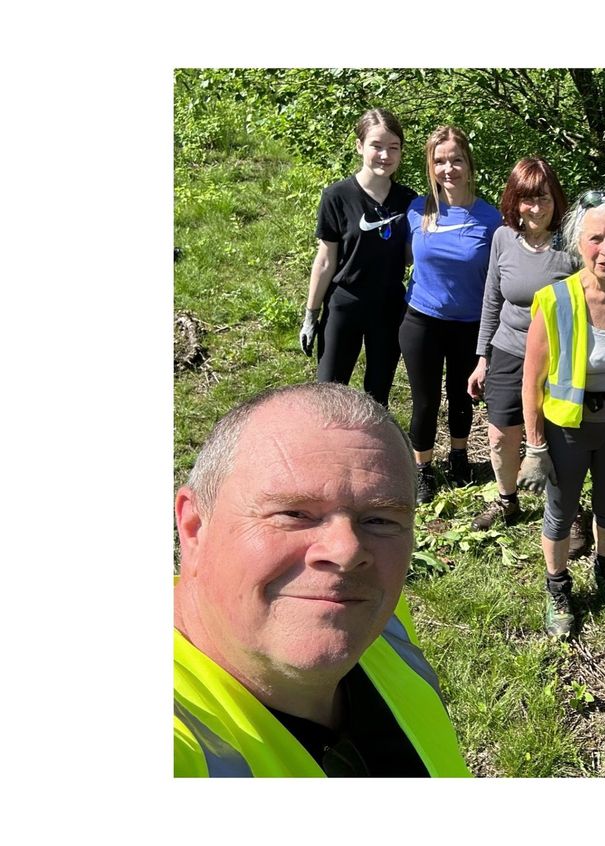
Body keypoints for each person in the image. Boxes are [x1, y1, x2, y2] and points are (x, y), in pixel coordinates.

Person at [173, 382, 470, 777]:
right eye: (295, 514)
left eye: (380, 519)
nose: (347, 552)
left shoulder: (383, 619)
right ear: (194, 528)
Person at [518, 190, 605, 639]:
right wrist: (535, 446)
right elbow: (532, 381)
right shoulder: (555, 300)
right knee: (560, 511)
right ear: (578, 243)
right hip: (568, 430)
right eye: (596, 238)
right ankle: (557, 588)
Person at [466, 157, 576, 531]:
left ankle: (566, 510)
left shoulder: (572, 245)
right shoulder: (503, 239)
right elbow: (491, 300)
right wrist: (483, 358)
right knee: (500, 434)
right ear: (514, 202)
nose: (536, 208)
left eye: (544, 198)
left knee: (562, 435)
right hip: (509, 349)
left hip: (560, 356)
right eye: (527, 199)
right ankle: (506, 499)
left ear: (556, 199)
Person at [401, 126, 502, 503]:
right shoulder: (417, 211)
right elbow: (397, 259)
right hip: (422, 320)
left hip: (470, 323)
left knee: (463, 397)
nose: (449, 169)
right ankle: (423, 469)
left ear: (469, 164)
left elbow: (499, 278)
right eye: (439, 161)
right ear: (430, 167)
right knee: (425, 400)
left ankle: (458, 456)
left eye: (456, 160)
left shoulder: (490, 219)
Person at [300, 108, 417, 406]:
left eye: (394, 148)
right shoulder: (337, 196)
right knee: (328, 392)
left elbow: (408, 258)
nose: (385, 155)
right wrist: (311, 315)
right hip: (345, 303)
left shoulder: (408, 200)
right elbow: (325, 260)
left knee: (378, 396)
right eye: (377, 146)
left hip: (389, 306)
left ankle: (373, 451)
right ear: (359, 146)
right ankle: (327, 451)